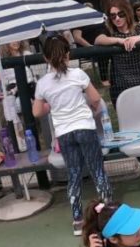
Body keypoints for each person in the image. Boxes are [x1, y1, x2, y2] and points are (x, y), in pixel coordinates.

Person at [34, 35, 114, 236]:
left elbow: (37, 112)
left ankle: (78, 220)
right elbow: (95, 98)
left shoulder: (43, 84)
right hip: (85, 127)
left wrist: (51, 104)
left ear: (45, 58)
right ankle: (107, 214)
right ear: (68, 54)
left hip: (64, 133)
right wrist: (91, 108)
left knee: (74, 174)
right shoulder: (78, 74)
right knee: (97, 171)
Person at [94, 0, 140, 118]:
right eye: (113, 16)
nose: (117, 18)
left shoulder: (139, 28)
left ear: (127, 13)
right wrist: (118, 40)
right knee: (126, 120)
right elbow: (98, 40)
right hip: (120, 85)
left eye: (120, 14)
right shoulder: (109, 31)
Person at [71, 4, 110, 88]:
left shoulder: (98, 19)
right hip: (88, 48)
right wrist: (91, 47)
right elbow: (77, 38)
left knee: (112, 51)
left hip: (104, 43)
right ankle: (104, 79)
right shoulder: (79, 21)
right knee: (102, 53)